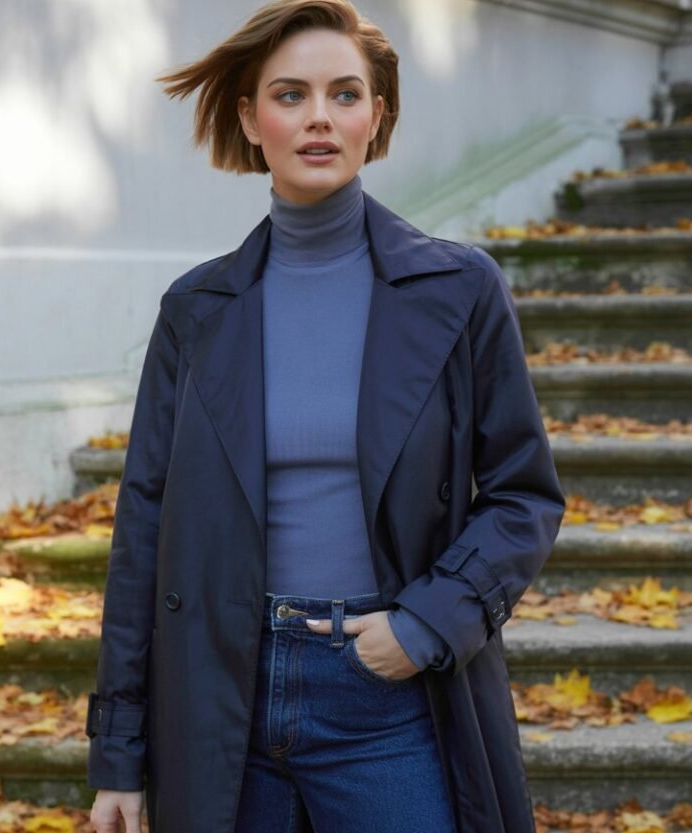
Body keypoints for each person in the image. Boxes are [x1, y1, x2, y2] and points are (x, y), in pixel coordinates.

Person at [85, 1, 566, 832]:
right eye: (291, 94)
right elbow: (144, 534)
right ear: (249, 116)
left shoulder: (458, 291)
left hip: (388, 694)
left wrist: (425, 622)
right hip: (220, 700)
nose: (319, 117)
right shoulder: (197, 309)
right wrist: (119, 754)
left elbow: (525, 496)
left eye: (345, 94)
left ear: (376, 117)